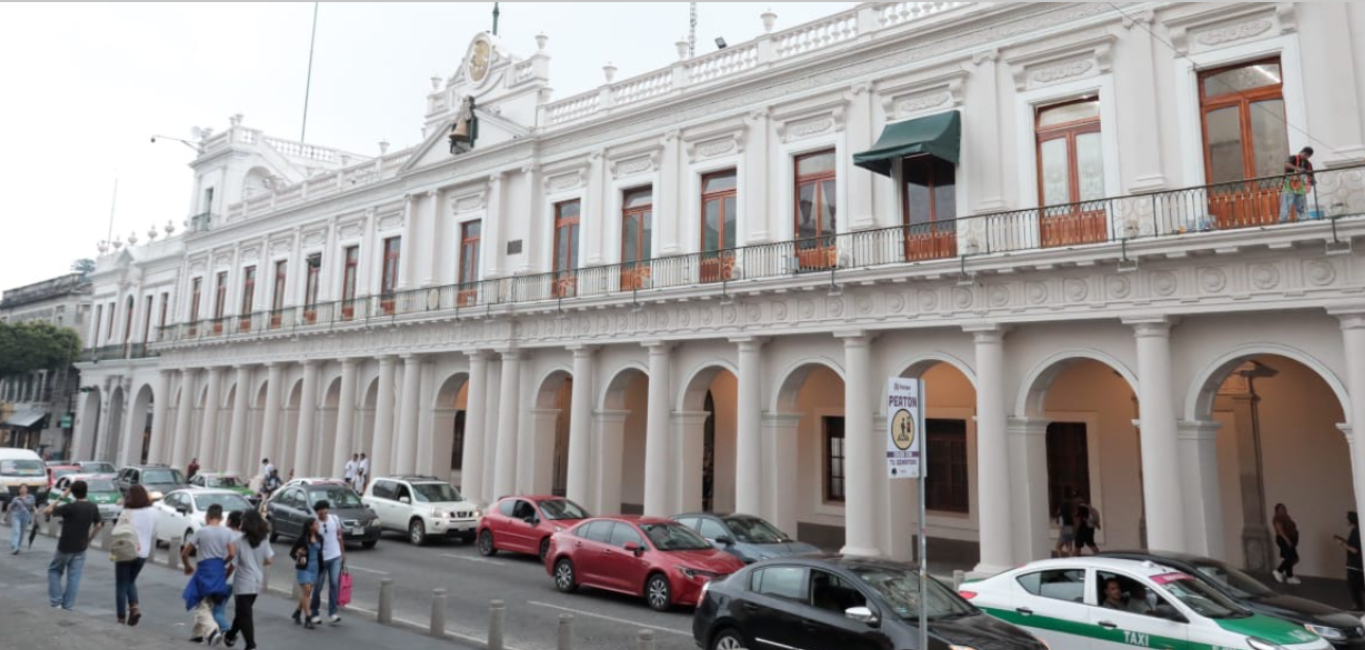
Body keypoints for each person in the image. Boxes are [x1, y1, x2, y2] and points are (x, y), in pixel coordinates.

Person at [181, 504, 236, 646]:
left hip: (204, 570)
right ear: (221, 517)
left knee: (200, 603)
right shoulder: (227, 532)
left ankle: (212, 632)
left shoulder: (201, 532)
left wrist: (187, 566)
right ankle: (197, 635)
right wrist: (222, 563)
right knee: (208, 602)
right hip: (218, 570)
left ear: (208, 516)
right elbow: (232, 553)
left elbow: (185, 553)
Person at [43, 479, 102, 610]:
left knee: (54, 570)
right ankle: (68, 605)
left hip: (65, 546)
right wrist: (89, 540)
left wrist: (62, 497)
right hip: (81, 547)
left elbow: (47, 511)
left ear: (73, 493)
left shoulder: (70, 507)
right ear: (86, 491)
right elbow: (98, 525)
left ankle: (56, 601)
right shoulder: (93, 506)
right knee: (74, 576)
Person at [226, 510, 273, 650]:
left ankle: (250, 645)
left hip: (243, 582)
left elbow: (233, 565)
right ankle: (230, 636)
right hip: (257, 581)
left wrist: (223, 577)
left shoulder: (239, 542)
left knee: (245, 614)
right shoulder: (264, 539)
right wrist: (256, 562)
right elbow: (269, 560)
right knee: (242, 612)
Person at [115, 485, 158, 626]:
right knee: (131, 581)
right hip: (143, 553)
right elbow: (153, 532)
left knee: (121, 584)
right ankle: (134, 607)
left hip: (126, 551)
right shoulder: (152, 511)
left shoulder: (127, 511)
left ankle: (121, 618)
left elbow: (118, 530)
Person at [309, 499, 346, 625]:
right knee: (318, 587)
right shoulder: (314, 523)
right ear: (317, 512)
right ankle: (314, 613)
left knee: (334, 584)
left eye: (325, 511)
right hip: (321, 559)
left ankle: (332, 613)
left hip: (335, 556)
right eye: (320, 512)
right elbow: (311, 540)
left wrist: (342, 553)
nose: (323, 514)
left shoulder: (334, 519)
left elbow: (339, 536)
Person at [290, 517, 322, 630]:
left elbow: (321, 553)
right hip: (304, 568)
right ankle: (308, 618)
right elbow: (292, 553)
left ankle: (298, 612)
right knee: (307, 591)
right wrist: (298, 554)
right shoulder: (302, 539)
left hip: (315, 568)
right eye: (316, 524)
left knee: (306, 594)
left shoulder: (319, 538)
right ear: (310, 526)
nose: (318, 525)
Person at [1279, 146, 1315, 223]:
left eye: (1307, 156)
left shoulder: (1308, 164)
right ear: (1302, 152)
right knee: (1286, 202)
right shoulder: (1293, 158)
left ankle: (1303, 220)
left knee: (1301, 203)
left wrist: (1312, 180)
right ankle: (1283, 220)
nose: (1306, 157)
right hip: (1289, 184)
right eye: (1305, 154)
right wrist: (1298, 169)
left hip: (1300, 185)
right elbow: (1287, 164)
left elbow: (1311, 174)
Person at [1335, 511, 1362, 611]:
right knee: (1357, 586)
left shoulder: (1356, 532)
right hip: (1355, 565)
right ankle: (1358, 605)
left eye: (1347, 519)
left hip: (1355, 565)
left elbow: (1354, 550)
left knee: (1355, 586)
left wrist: (1342, 544)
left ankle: (1358, 606)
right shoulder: (1356, 531)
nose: (1346, 521)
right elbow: (1352, 544)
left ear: (1351, 520)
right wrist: (1343, 540)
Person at [1273, 503, 1301, 585]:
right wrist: (1287, 540)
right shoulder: (1277, 518)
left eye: (1284, 508)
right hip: (1283, 539)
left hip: (1290, 539)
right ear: (1277, 510)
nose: (1283, 510)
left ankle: (1290, 577)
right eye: (1281, 509)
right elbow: (1280, 530)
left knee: (1292, 558)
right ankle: (1278, 571)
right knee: (1291, 557)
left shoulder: (1286, 517)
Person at [7, 484, 35, 554]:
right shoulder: (16, 498)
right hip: (16, 515)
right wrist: (8, 513)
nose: (23, 489)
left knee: (22, 533)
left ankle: (18, 546)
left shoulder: (31, 497)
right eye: (22, 488)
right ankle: (15, 548)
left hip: (26, 515)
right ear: (19, 490)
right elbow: (11, 507)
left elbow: (31, 504)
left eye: (25, 488)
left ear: (27, 489)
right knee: (16, 532)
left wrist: (22, 500)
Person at [1054, 486, 1080, 558]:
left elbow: (1060, 518)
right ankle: (1071, 558)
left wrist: (1061, 530)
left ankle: (1061, 560)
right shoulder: (1071, 504)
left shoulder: (1062, 506)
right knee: (1069, 546)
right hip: (1069, 525)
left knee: (1058, 547)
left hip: (1064, 526)